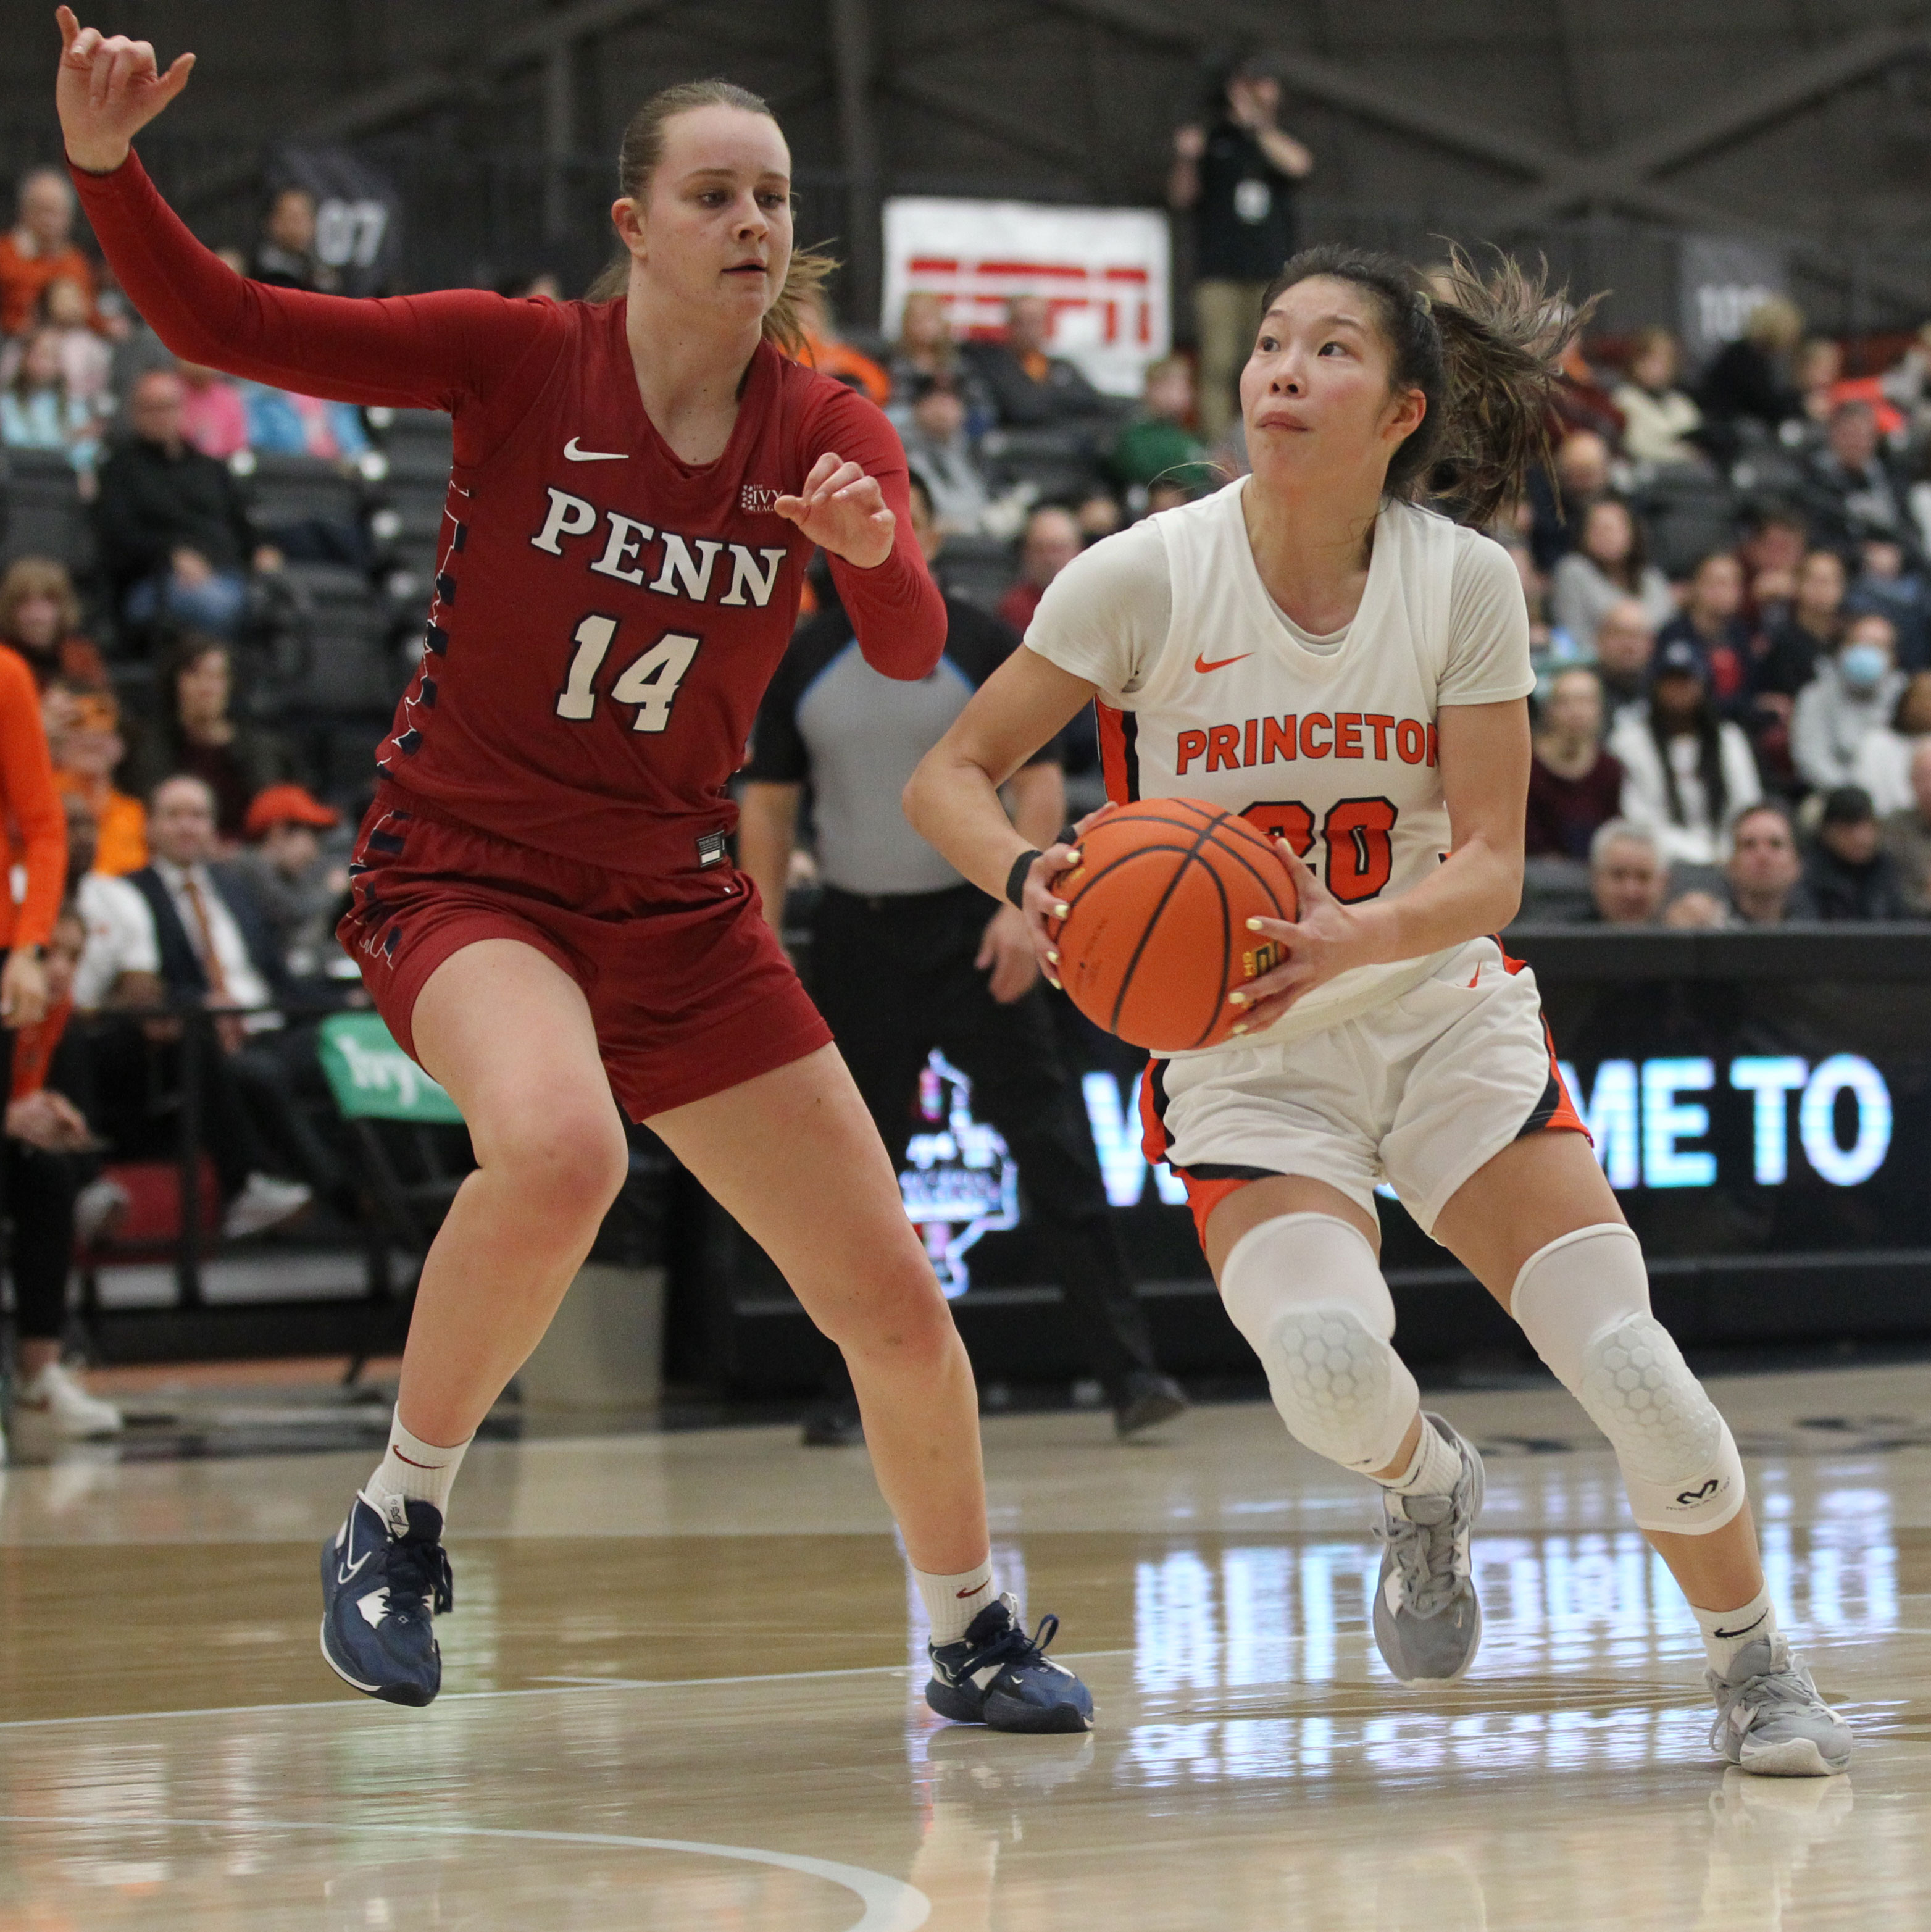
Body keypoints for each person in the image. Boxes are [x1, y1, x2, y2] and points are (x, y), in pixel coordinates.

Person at [59, 16, 1093, 1729]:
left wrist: (869, 552)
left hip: (676, 902)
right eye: (714, 192)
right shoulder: (521, 358)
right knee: (560, 1145)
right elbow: (223, 326)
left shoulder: (826, 421)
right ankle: (397, 1516)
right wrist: (110, 172)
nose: (753, 220)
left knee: (891, 1297)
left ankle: (971, 1623)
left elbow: (911, 644)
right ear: (636, 224)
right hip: (464, 872)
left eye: (773, 195)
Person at [905, 241, 1850, 1772]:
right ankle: (1423, 1484)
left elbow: (1487, 865)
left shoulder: (1461, 580)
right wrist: (1026, 880)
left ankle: (1751, 1665)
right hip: (1243, 1059)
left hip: (1434, 1016)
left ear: (1400, 406)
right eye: (1268, 340)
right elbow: (942, 774)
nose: (1280, 367)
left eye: (1326, 349)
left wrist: (1359, 937)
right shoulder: (1144, 571)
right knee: (1333, 1374)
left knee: (1632, 1372)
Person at [740, 474, 1188, 1445]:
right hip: (858, 937)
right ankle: (843, 1390)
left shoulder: (984, 642)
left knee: (1054, 1151)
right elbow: (769, 807)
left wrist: (1019, 904)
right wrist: (763, 936)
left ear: (931, 539)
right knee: (854, 1178)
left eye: (902, 522)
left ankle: (1134, 1375)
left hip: (975, 929)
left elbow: (1035, 780)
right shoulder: (802, 657)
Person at [78, 771, 330, 1223]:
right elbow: (146, 985)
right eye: (173, 815)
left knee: (347, 1048)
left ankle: (398, 1181)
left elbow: (273, 970)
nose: (187, 826)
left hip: (274, 1018)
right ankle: (341, 1198)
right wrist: (203, 1005)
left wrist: (339, 1006)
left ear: (212, 827)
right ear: (150, 827)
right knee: (261, 1073)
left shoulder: (233, 884)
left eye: (198, 815)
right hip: (210, 1035)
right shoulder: (130, 893)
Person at [5, 901, 125, 1439]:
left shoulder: (59, 1017)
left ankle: (38, 1377)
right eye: (48, 953)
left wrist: (54, 1115)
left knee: (50, 1176)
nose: (59, 969)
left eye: (73, 957)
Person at [1168, 59, 1313, 441]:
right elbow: (1182, 196)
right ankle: (1217, 446)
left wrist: (1260, 126)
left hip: (1269, 270)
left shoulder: (1273, 140)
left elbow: (1300, 166)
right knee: (1218, 362)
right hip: (1219, 269)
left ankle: (1265, 434)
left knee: (1269, 358)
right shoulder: (1212, 137)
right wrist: (1187, 157)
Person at [94, 364, 280, 638]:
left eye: (169, 406)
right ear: (135, 413)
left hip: (228, 573)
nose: (162, 416)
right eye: (152, 408)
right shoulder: (120, 469)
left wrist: (262, 548)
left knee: (284, 599)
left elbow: (241, 519)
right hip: (155, 583)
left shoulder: (210, 468)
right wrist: (170, 555)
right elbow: (117, 535)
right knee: (217, 605)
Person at [121, 634, 295, 842]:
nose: (206, 687)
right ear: (175, 683)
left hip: (249, 860)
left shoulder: (263, 750)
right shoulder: (148, 748)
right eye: (195, 675)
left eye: (216, 676)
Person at [1609, 638, 1763, 867]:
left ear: (1703, 685)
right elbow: (1637, 818)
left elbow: (1746, 805)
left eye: (1686, 681)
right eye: (1670, 681)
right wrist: (1699, 854)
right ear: (1655, 685)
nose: (1678, 690)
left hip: (1728, 859)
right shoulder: (1628, 742)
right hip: (1659, 860)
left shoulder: (1729, 739)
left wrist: (1725, 852)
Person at [232, 780, 349, 980]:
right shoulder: (248, 866)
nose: (314, 853)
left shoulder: (284, 873)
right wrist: (331, 889)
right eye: (311, 837)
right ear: (279, 832)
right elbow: (292, 912)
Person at [1791, 611, 1906, 795]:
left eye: (1877, 646)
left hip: (1895, 797)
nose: (1866, 652)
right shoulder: (1815, 696)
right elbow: (1811, 759)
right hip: (1835, 799)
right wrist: (1854, 797)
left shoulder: (1907, 696)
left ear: (1893, 658)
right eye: (1858, 644)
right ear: (1842, 650)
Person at [1548, 496, 1674, 654]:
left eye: (1613, 528)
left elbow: (1666, 629)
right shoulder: (1572, 571)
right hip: (1590, 665)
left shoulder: (1650, 577)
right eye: (1598, 528)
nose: (1606, 535)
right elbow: (1572, 634)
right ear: (1584, 534)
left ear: (1632, 533)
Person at [964, 294, 1106, 430]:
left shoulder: (1063, 369)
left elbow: (1093, 403)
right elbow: (1021, 408)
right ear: (1010, 325)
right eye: (1022, 321)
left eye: (1035, 321)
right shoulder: (993, 367)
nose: (1029, 329)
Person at [1801, 401, 1917, 562]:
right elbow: (1815, 536)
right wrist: (1861, 555)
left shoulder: (1891, 478)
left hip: (1896, 564)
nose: (1856, 443)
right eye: (1849, 434)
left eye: (1863, 435)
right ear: (1832, 434)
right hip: (1846, 566)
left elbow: (1910, 531)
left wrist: (1898, 555)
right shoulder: (1813, 478)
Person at [1525, 666, 1622, 859]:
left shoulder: (1611, 770)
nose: (1576, 712)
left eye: (1585, 702)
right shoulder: (1527, 767)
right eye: (1565, 702)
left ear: (1601, 710)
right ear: (1549, 709)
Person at [1695, 298, 1804, 462]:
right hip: (1725, 427)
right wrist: (1802, 405)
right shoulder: (1744, 357)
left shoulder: (1755, 357)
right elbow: (1764, 402)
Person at [49, 688, 144, 874]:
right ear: (60, 742)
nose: (91, 741)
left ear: (120, 747)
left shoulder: (135, 815)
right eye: (80, 731)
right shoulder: (39, 799)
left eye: (102, 734)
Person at [0, 163, 94, 338]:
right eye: (42, 210)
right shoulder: (4, 254)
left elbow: (90, 316)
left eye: (56, 212)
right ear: (24, 211)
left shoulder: (76, 262)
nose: (49, 220)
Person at [899, 370, 995, 536]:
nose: (943, 408)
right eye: (934, 398)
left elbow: (981, 499)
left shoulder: (973, 449)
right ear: (916, 405)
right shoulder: (899, 446)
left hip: (971, 534)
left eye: (952, 400)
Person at [1109, 355, 1216, 501]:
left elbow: (1204, 473)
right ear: (1152, 388)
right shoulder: (1136, 435)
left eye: (1185, 385)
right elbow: (1137, 469)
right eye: (1173, 385)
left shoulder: (1188, 436)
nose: (1183, 392)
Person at [1, 323, 101, 475]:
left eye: (53, 356)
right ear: (24, 356)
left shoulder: (74, 406)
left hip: (58, 480)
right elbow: (14, 439)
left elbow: (86, 452)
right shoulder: (6, 403)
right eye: (39, 354)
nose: (45, 363)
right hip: (15, 478)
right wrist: (68, 438)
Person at [1654, 551, 1750, 708]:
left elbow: (1748, 693)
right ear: (1694, 586)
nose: (1726, 592)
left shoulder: (1741, 635)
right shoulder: (1673, 635)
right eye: (1717, 583)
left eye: (1734, 584)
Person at [0, 556, 107, 691]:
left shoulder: (80, 655)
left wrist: (75, 706)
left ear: (63, 607)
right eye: (25, 603)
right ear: (9, 609)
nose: (36, 616)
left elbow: (103, 706)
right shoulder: (3, 659)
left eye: (47, 602)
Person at [1804, 784, 1910, 921]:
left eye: (1866, 827)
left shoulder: (1885, 867)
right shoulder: (1810, 873)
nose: (1860, 838)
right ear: (1827, 832)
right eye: (1848, 829)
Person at [1612, 328, 1704, 469]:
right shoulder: (1624, 400)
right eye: (1652, 360)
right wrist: (1682, 454)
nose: (1659, 367)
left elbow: (1699, 444)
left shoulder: (1682, 404)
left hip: (1687, 478)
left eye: (1666, 360)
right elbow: (1636, 446)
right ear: (1635, 362)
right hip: (1645, 478)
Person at [1850, 667, 1931, 816]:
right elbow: (1865, 791)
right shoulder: (1876, 742)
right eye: (1922, 698)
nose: (1927, 706)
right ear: (1906, 700)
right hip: (1886, 821)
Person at [1721, 801, 1814, 924]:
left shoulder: (1824, 925)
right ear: (1731, 863)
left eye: (1776, 844)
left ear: (1797, 862)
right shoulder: (1708, 927)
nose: (1763, 856)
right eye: (1749, 845)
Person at [997, 504, 1082, 635]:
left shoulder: (1097, 602)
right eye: (1040, 550)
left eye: (1058, 549)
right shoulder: (1014, 608)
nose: (1050, 559)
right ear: (1026, 553)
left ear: (1078, 550)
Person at [251, 183, 335, 293]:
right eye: (291, 218)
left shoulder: (321, 267)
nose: (297, 226)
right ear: (273, 222)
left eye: (302, 218)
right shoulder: (258, 270)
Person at [1879, 737, 1931, 913]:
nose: (1930, 786)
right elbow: (1890, 889)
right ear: (1911, 782)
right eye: (1924, 777)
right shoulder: (1895, 828)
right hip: (1912, 925)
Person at [1586, 818, 1670, 925]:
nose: (1631, 892)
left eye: (1643, 877)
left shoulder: (1682, 930)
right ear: (1595, 877)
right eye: (1618, 875)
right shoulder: (1564, 933)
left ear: (1664, 882)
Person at [1590, 596, 1656, 717]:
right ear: (1600, 639)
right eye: (1619, 634)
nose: (1628, 645)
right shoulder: (1584, 692)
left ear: (1650, 643)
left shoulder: (1663, 689)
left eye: (1636, 636)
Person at [174, 357, 248, 459]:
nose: (199, 367)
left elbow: (238, 446)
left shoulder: (228, 397)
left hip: (221, 465)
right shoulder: (171, 393)